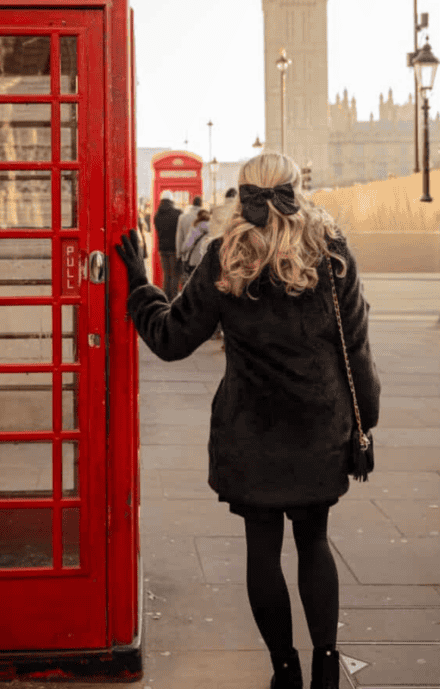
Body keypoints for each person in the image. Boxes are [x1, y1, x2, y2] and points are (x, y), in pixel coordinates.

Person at [117, 151, 380, 689]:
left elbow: (170, 339)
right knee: (314, 541)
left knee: (262, 550)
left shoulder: (225, 257)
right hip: (318, 429)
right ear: (295, 190)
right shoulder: (331, 256)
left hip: (251, 434)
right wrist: (364, 424)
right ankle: (327, 666)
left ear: (242, 195)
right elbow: (357, 350)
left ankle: (284, 670)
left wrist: (140, 282)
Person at [153, 190, 182, 300]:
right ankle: (174, 299)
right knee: (175, 274)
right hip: (174, 248)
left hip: (162, 249)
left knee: (166, 275)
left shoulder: (157, 215)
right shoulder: (178, 213)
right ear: (171, 200)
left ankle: (165, 297)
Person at [180, 208, 211, 278]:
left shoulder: (196, 227)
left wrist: (182, 250)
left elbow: (188, 245)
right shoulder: (214, 229)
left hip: (196, 261)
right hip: (208, 261)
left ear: (198, 217)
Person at [175, 194, 203, 263]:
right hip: (202, 257)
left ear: (192, 204)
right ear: (201, 204)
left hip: (187, 256)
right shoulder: (206, 218)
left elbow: (179, 238)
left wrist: (179, 255)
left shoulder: (182, 217)